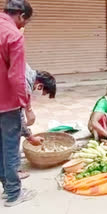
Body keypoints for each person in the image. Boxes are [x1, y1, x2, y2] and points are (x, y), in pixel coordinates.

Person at [0, 0, 36, 207]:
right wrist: (27, 107)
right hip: (7, 102)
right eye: (25, 22)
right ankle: (14, 194)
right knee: (10, 147)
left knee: (0, 145)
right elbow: (16, 76)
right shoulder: (13, 35)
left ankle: (7, 186)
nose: (23, 26)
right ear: (21, 16)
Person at [17, 64, 56, 179]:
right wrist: (30, 137)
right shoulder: (26, 86)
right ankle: (13, 174)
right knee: (12, 137)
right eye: (42, 93)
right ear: (40, 86)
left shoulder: (26, 69)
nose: (36, 93)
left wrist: (28, 108)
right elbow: (17, 118)